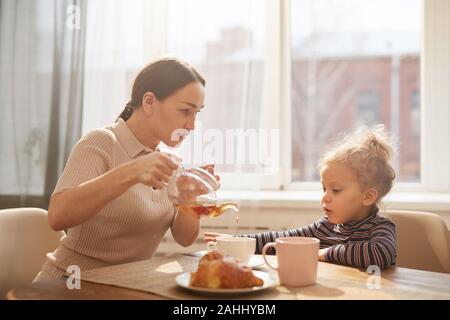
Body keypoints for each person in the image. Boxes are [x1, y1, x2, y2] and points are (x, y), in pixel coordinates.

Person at [34, 57, 218, 282]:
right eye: (185, 111)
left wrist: (190, 197)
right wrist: (132, 171)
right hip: (71, 284)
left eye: (197, 113)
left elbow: (184, 238)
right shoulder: (101, 142)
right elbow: (57, 217)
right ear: (149, 102)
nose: (192, 125)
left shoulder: (169, 162)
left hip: (126, 286)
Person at [206, 125, 397, 270]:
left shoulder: (380, 228)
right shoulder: (324, 227)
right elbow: (283, 240)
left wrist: (323, 253)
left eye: (336, 190)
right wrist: (238, 241)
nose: (325, 198)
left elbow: (380, 253)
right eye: (324, 189)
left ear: (367, 196)